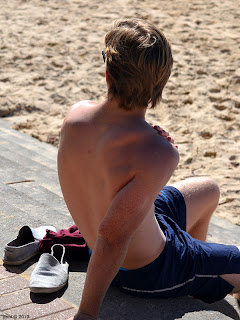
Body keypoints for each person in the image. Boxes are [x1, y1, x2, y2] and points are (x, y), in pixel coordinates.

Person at [58, 19, 240, 320]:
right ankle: (194, 274)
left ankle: (199, 269)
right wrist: (87, 314)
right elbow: (112, 237)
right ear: (160, 83)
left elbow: (111, 174)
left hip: (119, 245)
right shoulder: (159, 152)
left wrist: (152, 141)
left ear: (107, 72)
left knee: (209, 189)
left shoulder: (75, 116)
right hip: (145, 271)